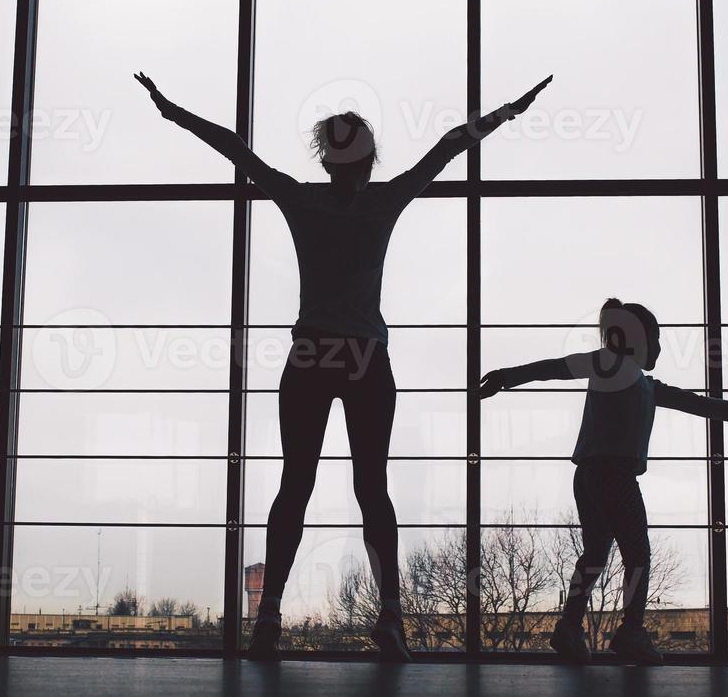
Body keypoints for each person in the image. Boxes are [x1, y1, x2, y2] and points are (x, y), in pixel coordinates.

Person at [136, 70, 552, 661]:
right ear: (367, 158)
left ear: (327, 158)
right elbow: (451, 144)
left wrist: (174, 112)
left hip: (311, 355)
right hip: (362, 358)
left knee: (295, 486)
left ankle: (271, 617)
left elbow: (236, 148)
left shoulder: (302, 198)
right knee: (371, 490)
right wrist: (509, 111)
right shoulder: (384, 198)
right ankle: (387, 620)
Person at [479, 299, 728, 665]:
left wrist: (507, 377)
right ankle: (630, 631)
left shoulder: (627, 375)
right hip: (615, 476)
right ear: (642, 339)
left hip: (588, 475)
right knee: (637, 554)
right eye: (656, 338)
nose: (660, 348)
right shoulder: (624, 373)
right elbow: (694, 403)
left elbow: (553, 369)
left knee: (595, 555)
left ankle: (571, 626)